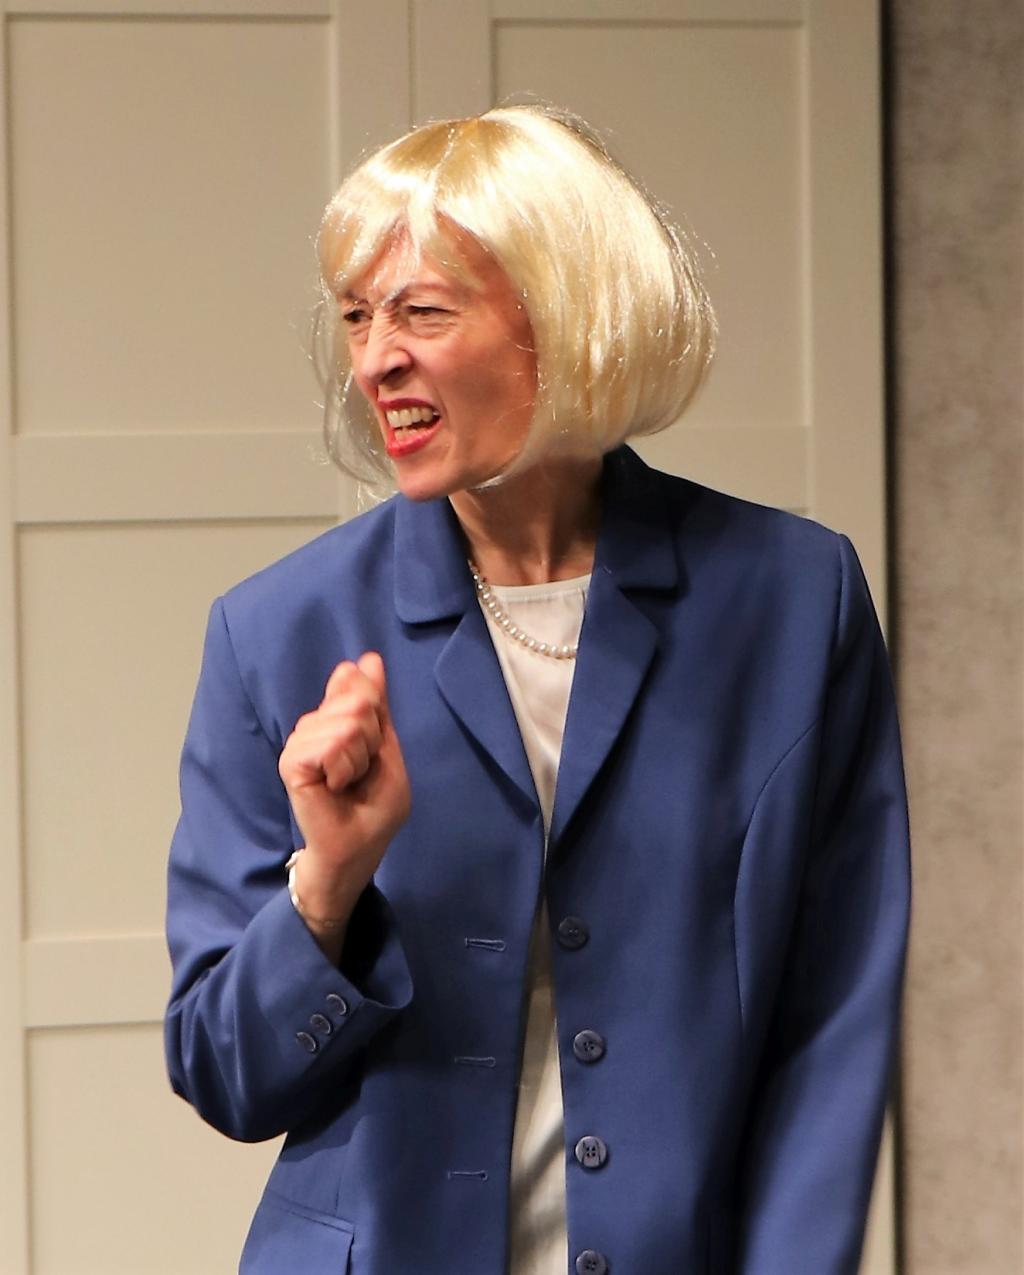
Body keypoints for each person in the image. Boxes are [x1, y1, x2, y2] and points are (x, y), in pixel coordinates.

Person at [164, 105, 910, 1275]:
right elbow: (224, 1073)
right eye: (357, 316)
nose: (375, 359)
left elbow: (833, 1021)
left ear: (566, 319)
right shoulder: (275, 630)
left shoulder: (790, 600)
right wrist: (327, 887)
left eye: (421, 312)